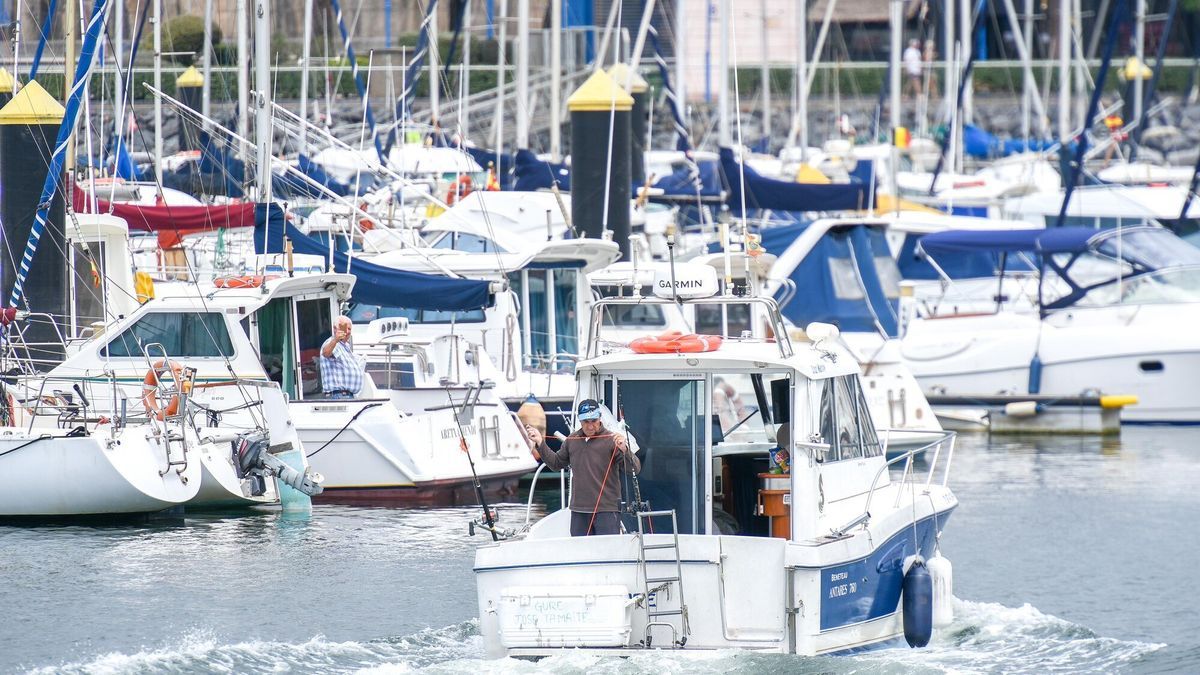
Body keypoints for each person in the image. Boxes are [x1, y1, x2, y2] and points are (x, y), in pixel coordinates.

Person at [525, 399, 640, 536]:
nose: (590, 426)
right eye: (586, 421)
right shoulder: (572, 440)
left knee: (606, 551)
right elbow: (556, 464)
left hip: (606, 510)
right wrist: (540, 442)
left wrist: (625, 449)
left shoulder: (612, 439)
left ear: (599, 418)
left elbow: (634, 468)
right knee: (580, 551)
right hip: (579, 510)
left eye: (594, 421)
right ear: (580, 420)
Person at [319, 316, 365, 399]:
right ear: (335, 328)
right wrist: (336, 339)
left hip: (345, 395)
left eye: (349, 329)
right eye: (344, 328)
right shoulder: (332, 342)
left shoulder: (344, 345)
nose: (347, 331)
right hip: (338, 395)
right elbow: (326, 353)